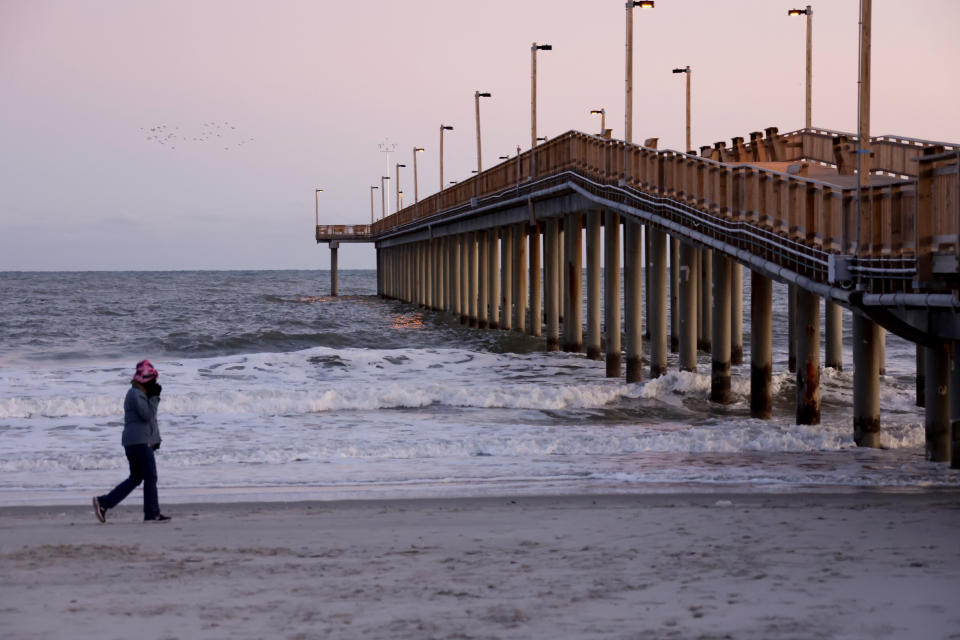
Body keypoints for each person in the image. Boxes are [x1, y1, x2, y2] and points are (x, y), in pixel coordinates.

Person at [92, 360, 171, 523]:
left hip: (136, 441)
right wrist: (155, 398)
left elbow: (148, 421)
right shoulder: (136, 394)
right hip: (138, 442)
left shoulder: (139, 394)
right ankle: (151, 514)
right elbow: (147, 416)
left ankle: (104, 503)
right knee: (150, 477)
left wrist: (155, 440)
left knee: (136, 478)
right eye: (153, 381)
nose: (155, 384)